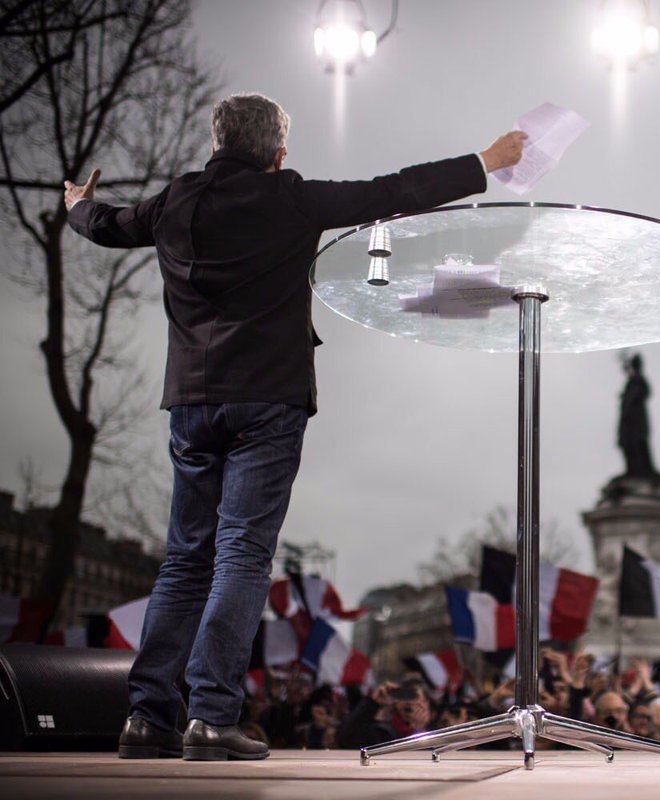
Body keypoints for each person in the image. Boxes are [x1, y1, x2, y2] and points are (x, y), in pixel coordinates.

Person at [64, 92, 526, 762]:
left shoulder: (173, 203)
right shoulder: (291, 198)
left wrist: (77, 202)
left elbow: (106, 224)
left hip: (191, 401)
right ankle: (212, 718)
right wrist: (483, 163)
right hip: (267, 402)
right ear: (278, 154)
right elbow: (393, 191)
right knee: (242, 555)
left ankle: (148, 718)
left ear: (215, 143)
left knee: (185, 559)